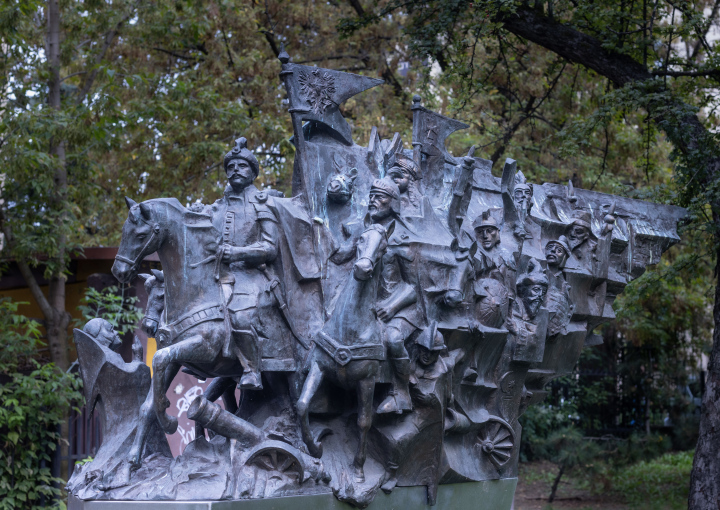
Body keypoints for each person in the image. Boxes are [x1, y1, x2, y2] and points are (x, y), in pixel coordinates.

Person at [211, 137, 279, 391]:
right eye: (230, 167)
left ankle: (252, 370)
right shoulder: (216, 207)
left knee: (240, 317)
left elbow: (270, 248)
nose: (235, 170)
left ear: (253, 172)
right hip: (219, 275)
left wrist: (237, 253)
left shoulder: (262, 203)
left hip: (253, 276)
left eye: (242, 166)